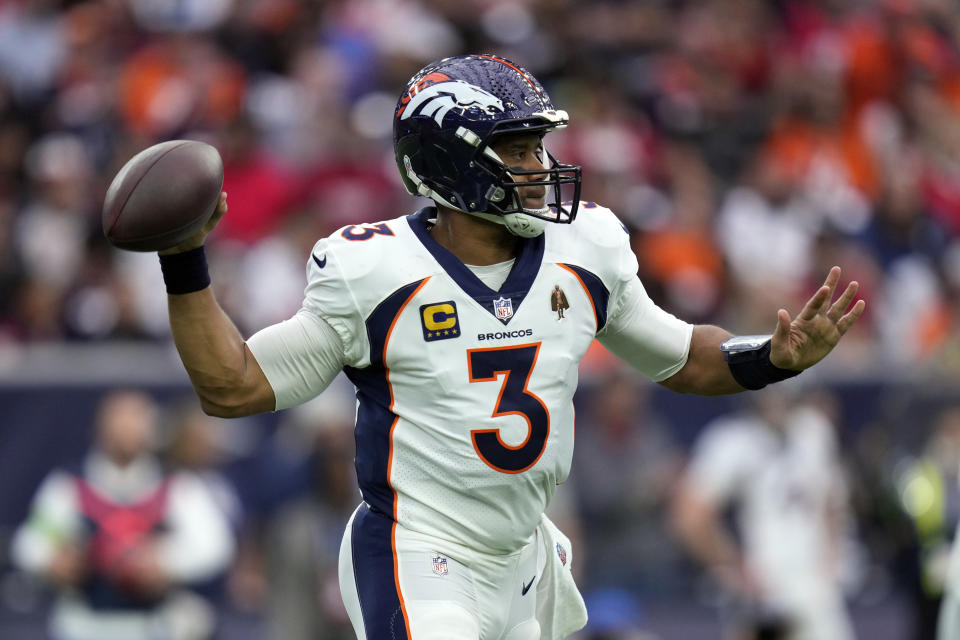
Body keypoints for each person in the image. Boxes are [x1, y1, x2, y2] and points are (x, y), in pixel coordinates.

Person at [152, 54, 865, 640]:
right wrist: (185, 262)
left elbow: (681, 357)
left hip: (525, 558)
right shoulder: (373, 270)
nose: (539, 164)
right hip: (420, 553)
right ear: (447, 162)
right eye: (516, 149)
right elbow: (235, 385)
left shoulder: (586, 245)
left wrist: (770, 357)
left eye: (538, 145)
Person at [10, 390, 236, 640]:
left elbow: (213, 544)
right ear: (100, 426)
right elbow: (31, 540)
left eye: (136, 419)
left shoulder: (175, 486)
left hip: (153, 623)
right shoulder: (70, 486)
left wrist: (166, 561)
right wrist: (53, 561)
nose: (127, 429)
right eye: (119, 419)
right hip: (85, 622)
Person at [671, 388, 855, 640]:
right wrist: (734, 567)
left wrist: (832, 556)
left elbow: (832, 500)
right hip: (764, 595)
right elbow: (690, 517)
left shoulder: (814, 430)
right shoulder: (732, 440)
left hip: (816, 590)